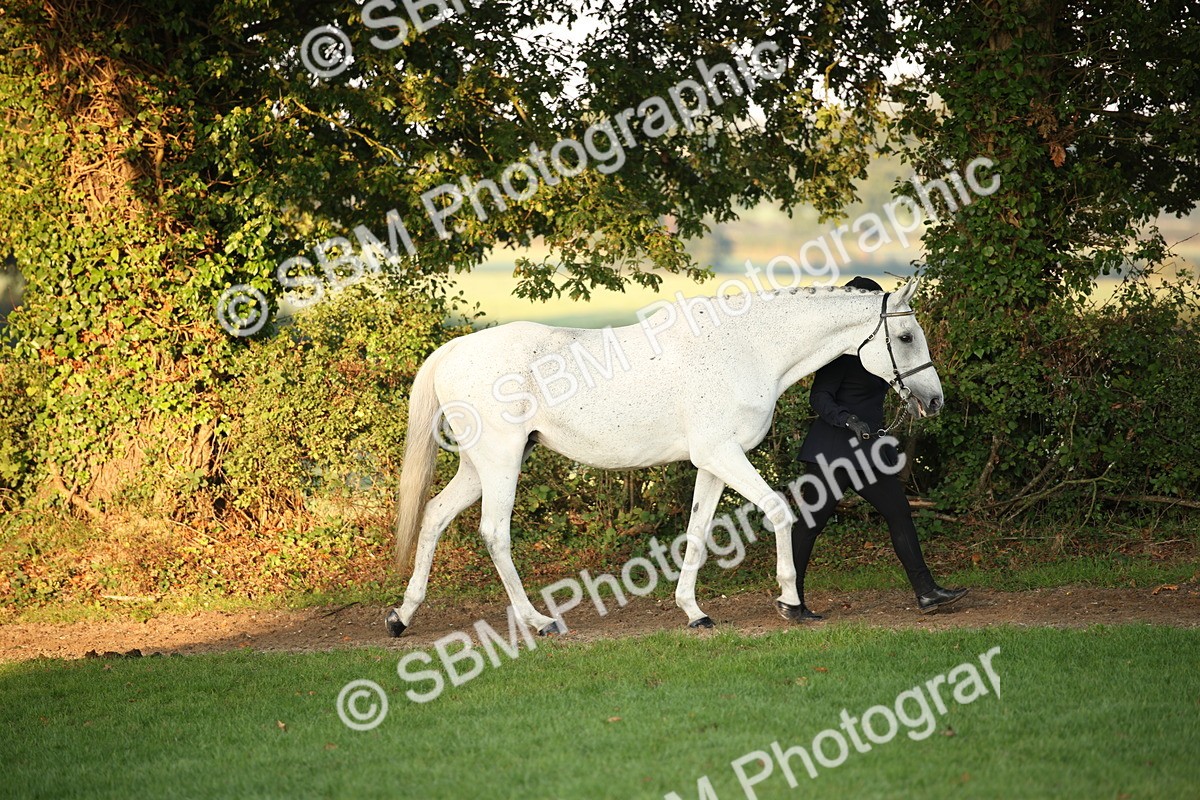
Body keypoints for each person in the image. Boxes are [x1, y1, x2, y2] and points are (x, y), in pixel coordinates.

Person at [785, 276, 967, 620]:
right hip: (832, 451)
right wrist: (847, 420)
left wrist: (914, 399)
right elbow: (819, 397)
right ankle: (792, 600)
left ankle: (927, 592)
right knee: (810, 526)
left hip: (868, 453)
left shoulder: (879, 344)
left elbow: (899, 376)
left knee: (898, 514)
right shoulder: (838, 355)